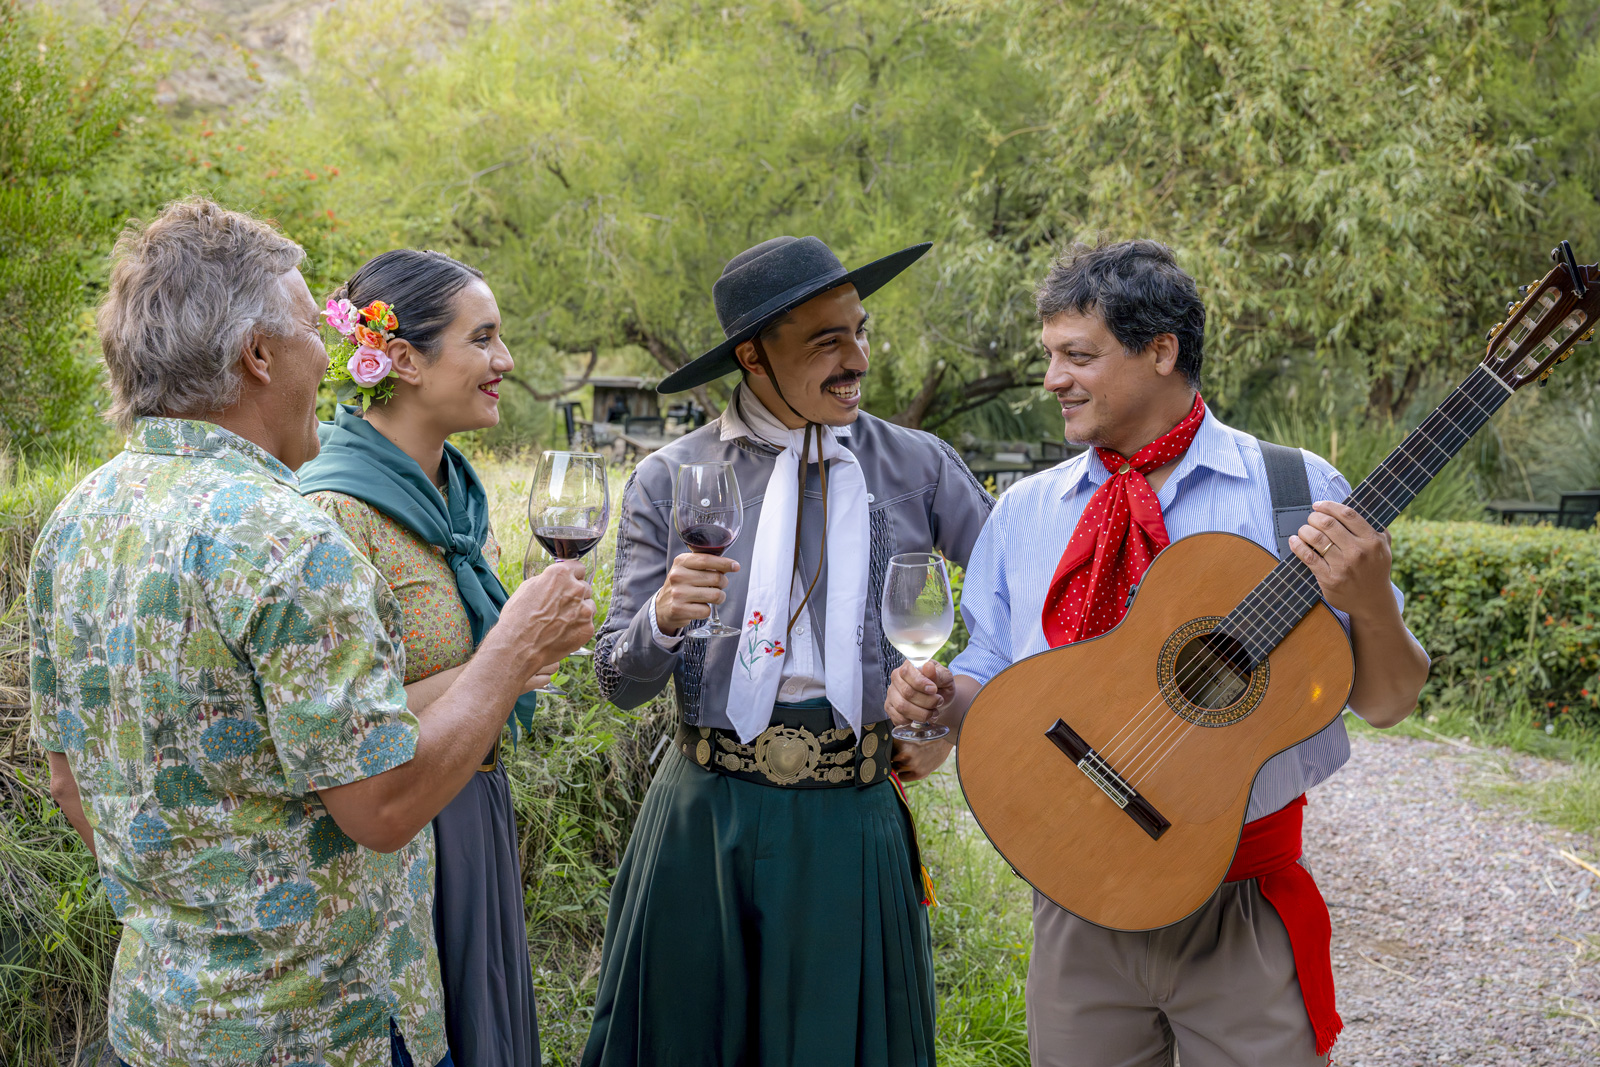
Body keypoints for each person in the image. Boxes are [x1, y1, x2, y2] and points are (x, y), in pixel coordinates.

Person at [27, 198, 594, 1067]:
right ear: (258, 356)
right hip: (326, 1030)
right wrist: (512, 650)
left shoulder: (78, 520)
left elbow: (69, 783)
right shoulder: (293, 543)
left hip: (156, 1023)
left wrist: (196, 920)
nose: (330, 358)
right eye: (307, 332)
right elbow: (385, 806)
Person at [885, 240, 1431, 1067]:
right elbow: (993, 678)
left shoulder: (1295, 492)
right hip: (1078, 908)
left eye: (1079, 356)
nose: (1052, 379)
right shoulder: (1028, 513)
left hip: (1242, 905)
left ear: (1161, 351)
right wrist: (938, 701)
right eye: (1050, 356)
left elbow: (1388, 701)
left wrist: (1367, 603)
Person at [582, 235, 995, 1066]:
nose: (858, 360)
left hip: (854, 813)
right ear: (752, 356)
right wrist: (663, 616)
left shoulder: (916, 465)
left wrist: (951, 712)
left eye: (861, 331)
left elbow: (1018, 603)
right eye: (826, 341)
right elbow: (617, 680)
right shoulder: (672, 477)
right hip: (706, 817)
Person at [297, 249, 551, 1067]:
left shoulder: (452, 498)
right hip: (401, 830)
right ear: (402, 359)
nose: (503, 362)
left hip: (473, 807)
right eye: (483, 339)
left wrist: (510, 655)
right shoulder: (336, 510)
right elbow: (336, 728)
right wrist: (503, 658)